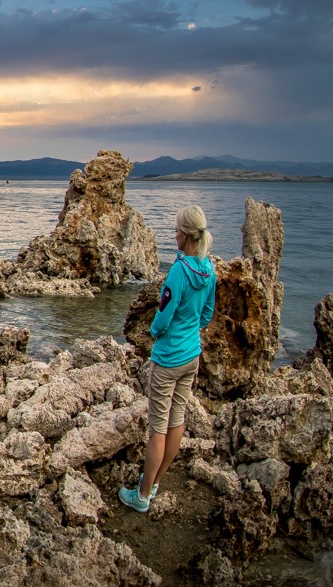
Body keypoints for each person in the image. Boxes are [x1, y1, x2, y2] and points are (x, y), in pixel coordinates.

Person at [120, 204, 216, 513]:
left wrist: (156, 331)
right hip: (192, 355)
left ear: (186, 235)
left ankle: (142, 496)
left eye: (176, 230)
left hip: (169, 357)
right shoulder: (208, 268)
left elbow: (164, 313)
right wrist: (190, 329)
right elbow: (207, 314)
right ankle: (156, 481)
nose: (173, 234)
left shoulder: (179, 271)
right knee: (177, 420)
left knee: (157, 429)